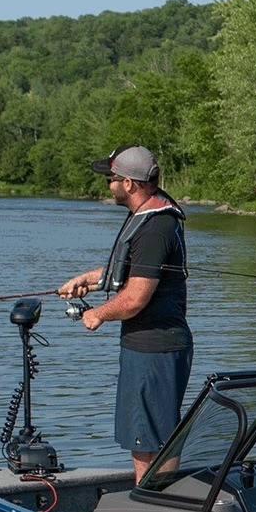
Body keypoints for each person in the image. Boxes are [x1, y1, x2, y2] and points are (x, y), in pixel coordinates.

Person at [57, 145, 192, 483]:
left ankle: (155, 508)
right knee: (147, 437)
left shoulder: (156, 227)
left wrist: (97, 314)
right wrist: (89, 279)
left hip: (155, 349)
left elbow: (136, 296)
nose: (108, 185)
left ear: (130, 184)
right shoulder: (150, 214)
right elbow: (131, 270)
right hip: (149, 347)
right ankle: (155, 502)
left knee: (152, 440)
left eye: (112, 179)